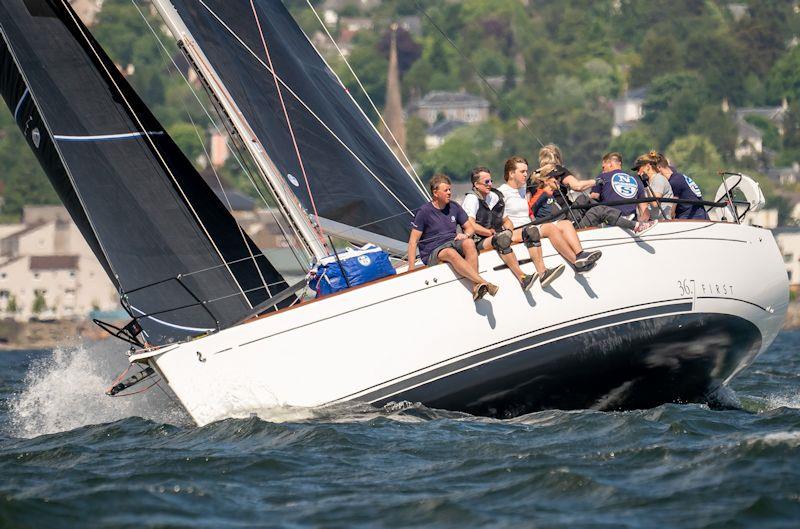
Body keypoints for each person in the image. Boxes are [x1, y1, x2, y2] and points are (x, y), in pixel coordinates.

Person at [498, 156, 600, 274]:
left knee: (565, 224)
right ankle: (576, 263)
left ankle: (580, 254)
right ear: (511, 174)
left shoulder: (523, 187)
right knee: (550, 228)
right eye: (522, 172)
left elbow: (539, 176)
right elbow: (498, 219)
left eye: (526, 171)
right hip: (516, 231)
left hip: (530, 227)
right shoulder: (502, 192)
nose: (526, 174)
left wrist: (549, 167)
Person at [407, 174, 499, 300]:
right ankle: (484, 282)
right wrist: (411, 269)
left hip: (452, 242)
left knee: (469, 243)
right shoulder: (424, 211)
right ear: (435, 193)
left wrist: (465, 234)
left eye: (450, 189)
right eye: (446, 190)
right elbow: (413, 241)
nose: (449, 193)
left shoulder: (454, 206)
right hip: (433, 251)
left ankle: (476, 287)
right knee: (450, 253)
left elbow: (470, 228)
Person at [462, 167, 546, 291]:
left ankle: (543, 273)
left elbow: (506, 220)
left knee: (531, 231)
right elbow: (470, 225)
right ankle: (522, 278)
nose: (490, 184)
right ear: (476, 184)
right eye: (486, 182)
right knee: (501, 239)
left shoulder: (494, 197)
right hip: (479, 240)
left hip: (497, 235)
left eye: (491, 181)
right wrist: (489, 232)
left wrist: (509, 231)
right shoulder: (471, 199)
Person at [531, 164, 657, 235]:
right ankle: (634, 225)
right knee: (598, 211)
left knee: (583, 198)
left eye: (559, 178)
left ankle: (615, 218)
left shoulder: (551, 193)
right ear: (546, 180)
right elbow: (532, 216)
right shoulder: (540, 197)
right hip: (566, 229)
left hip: (568, 220)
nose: (558, 180)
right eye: (555, 178)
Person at [590, 152, 649, 222]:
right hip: (632, 222)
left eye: (603, 167)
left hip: (610, 222)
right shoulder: (636, 180)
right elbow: (644, 210)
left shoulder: (602, 177)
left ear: (610, 164)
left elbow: (594, 196)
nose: (603, 171)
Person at [654, 154, 709, 220]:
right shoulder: (678, 176)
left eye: (654, 170)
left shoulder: (674, 182)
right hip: (699, 214)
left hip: (693, 217)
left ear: (659, 167)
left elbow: (672, 212)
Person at [631, 152, 674, 219]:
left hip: (663, 223)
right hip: (654, 222)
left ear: (648, 166)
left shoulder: (658, 179)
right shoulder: (650, 183)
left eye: (639, 169)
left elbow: (655, 203)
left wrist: (646, 186)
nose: (638, 173)